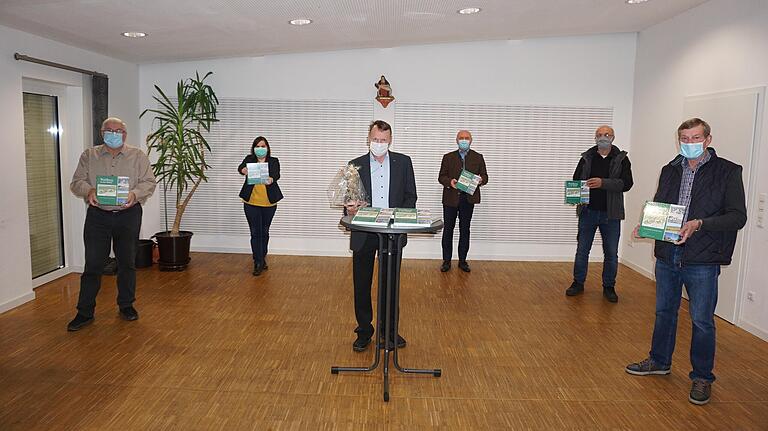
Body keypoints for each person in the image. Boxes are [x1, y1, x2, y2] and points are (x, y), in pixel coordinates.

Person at [626, 118, 747, 405]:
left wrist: (699, 224)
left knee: (702, 320)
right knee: (664, 312)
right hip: (669, 254)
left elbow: (737, 216)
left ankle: (702, 377)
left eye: (695, 138)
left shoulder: (728, 171)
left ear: (707, 140)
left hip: (703, 258)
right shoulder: (670, 169)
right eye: (684, 138)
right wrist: (646, 225)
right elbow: (660, 205)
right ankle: (659, 361)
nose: (689, 143)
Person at [67, 117, 156, 331]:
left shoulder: (138, 155)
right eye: (109, 130)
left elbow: (149, 182)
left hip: (129, 215)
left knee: (127, 263)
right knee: (93, 265)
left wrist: (134, 195)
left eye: (118, 131)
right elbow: (76, 182)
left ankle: (126, 305)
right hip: (99, 217)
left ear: (125, 134)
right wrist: (89, 191)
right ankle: (84, 312)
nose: (114, 134)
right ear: (102, 132)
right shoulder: (89, 155)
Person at [344, 120, 417, 352]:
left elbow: (410, 197)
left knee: (390, 284)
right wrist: (351, 208)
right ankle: (364, 331)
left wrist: (397, 217)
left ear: (390, 141)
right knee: (362, 284)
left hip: (392, 233)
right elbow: (349, 200)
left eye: (383, 141)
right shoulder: (355, 166)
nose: (379, 144)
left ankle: (389, 331)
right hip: (364, 232)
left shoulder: (403, 162)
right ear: (368, 139)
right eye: (375, 140)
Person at [566, 125, 633, 302]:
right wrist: (576, 195)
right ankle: (578, 283)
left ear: (613, 137)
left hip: (611, 214)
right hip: (588, 212)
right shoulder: (587, 157)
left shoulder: (622, 159)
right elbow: (575, 180)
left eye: (606, 135)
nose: (602, 137)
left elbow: (626, 184)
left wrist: (603, 183)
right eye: (599, 135)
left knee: (611, 253)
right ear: (595, 138)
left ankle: (609, 286)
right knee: (582, 250)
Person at [438, 130, 488, 272]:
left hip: (468, 199)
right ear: (457, 140)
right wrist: (450, 182)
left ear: (471, 140)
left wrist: (480, 180)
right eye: (461, 138)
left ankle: (462, 260)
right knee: (448, 229)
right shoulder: (448, 157)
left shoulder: (478, 157)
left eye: (466, 138)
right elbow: (441, 177)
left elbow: (485, 176)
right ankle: (446, 261)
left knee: (465, 230)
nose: (464, 140)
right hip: (450, 199)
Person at [238, 136, 284, 276]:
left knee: (264, 231)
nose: (260, 149)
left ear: (267, 148)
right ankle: (257, 261)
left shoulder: (273, 161)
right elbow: (240, 168)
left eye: (263, 146)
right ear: (253, 148)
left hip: (269, 203)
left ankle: (262, 257)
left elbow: (276, 174)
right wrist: (243, 170)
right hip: (251, 202)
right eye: (257, 146)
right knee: (255, 232)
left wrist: (271, 178)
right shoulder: (249, 159)